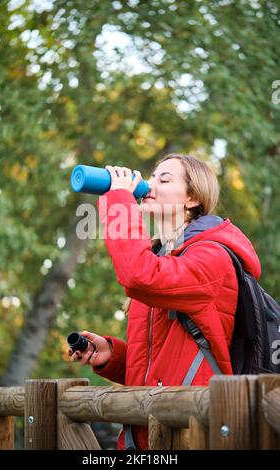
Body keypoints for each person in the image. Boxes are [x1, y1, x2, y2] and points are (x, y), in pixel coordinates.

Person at [68, 153, 261, 450]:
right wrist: (114, 356)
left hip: (191, 434)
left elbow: (137, 276)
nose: (150, 183)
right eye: (152, 175)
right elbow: (164, 364)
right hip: (146, 436)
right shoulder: (163, 258)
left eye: (164, 179)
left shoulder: (212, 258)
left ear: (192, 198)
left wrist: (119, 199)